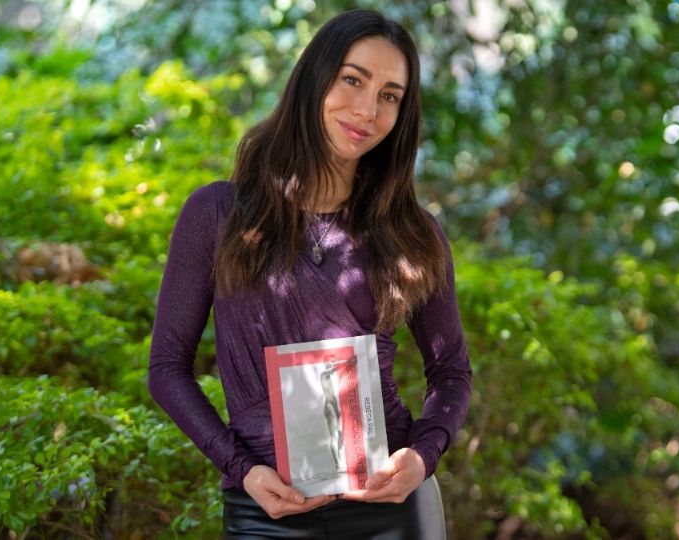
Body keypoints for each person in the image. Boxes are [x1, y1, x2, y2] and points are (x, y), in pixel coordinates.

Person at [148, 9, 472, 539]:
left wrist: (422, 455)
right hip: (266, 508)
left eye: (390, 96)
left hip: (391, 507)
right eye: (353, 80)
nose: (367, 110)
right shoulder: (218, 215)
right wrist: (242, 470)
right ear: (314, 77)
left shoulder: (412, 232)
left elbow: (452, 370)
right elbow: (166, 368)